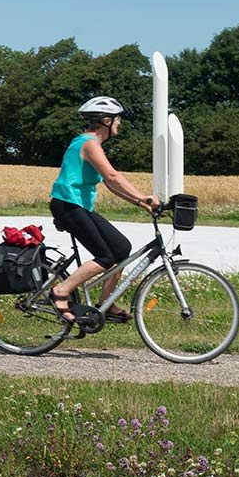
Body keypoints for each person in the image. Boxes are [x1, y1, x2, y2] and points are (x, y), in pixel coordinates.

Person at [48, 96, 159, 322]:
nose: (119, 123)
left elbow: (109, 183)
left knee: (121, 248)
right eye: (117, 119)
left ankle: (104, 303)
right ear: (106, 121)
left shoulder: (91, 144)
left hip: (78, 205)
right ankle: (60, 291)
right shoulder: (88, 144)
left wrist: (139, 202)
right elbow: (112, 176)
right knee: (105, 256)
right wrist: (143, 196)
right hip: (67, 205)